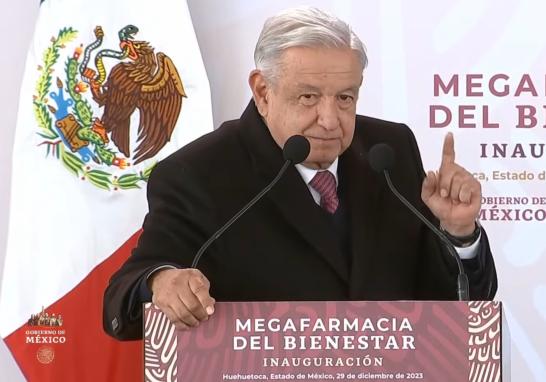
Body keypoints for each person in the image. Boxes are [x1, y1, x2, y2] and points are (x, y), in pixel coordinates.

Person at [103, 7, 496, 341]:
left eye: (345, 98)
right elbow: (120, 302)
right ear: (262, 91)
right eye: (308, 97)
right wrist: (161, 282)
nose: (329, 120)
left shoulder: (389, 152)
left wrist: (458, 234)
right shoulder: (197, 174)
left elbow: (455, 306)